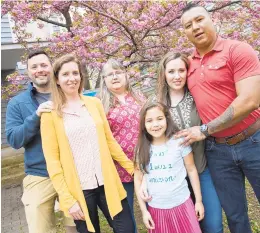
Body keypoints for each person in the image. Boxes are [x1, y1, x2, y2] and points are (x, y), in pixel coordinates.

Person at [178, 3, 260, 233]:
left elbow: (251, 100)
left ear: (212, 20)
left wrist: (203, 130)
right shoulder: (187, 65)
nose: (195, 27)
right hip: (218, 152)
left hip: (254, 141)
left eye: (199, 20)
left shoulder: (238, 50)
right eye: (188, 25)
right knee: (235, 215)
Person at [40, 54, 135, 233]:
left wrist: (132, 168)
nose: (72, 78)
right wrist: (67, 200)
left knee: (127, 229)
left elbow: (109, 141)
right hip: (79, 191)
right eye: (65, 74)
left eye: (75, 73)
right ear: (57, 80)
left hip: (108, 183)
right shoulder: (50, 113)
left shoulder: (94, 104)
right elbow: (53, 163)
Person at [5, 50, 76, 233]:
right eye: (34, 67)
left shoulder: (68, 95)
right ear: (28, 72)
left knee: (76, 227)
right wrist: (35, 117)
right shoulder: (17, 103)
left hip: (71, 172)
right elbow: (14, 139)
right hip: (39, 174)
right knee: (40, 228)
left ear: (51, 68)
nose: (40, 70)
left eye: (44, 65)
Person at [155, 51, 222, 233]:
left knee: (213, 225)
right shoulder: (157, 104)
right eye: (171, 71)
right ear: (164, 74)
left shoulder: (198, 96)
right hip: (175, 178)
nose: (177, 76)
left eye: (181, 70)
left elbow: (214, 121)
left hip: (202, 168)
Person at [134, 101, 204, 233]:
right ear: (143, 124)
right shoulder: (141, 149)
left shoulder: (179, 142)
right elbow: (138, 180)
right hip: (156, 209)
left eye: (159, 119)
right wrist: (144, 211)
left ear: (167, 119)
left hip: (182, 205)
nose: (155, 124)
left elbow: (191, 169)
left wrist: (198, 201)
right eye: (149, 121)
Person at [100, 58, 145, 233]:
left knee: (152, 205)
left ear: (126, 75)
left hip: (146, 162)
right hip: (119, 167)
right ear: (104, 80)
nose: (114, 76)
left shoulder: (139, 97)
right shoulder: (101, 104)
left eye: (118, 72)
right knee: (126, 215)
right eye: (109, 74)